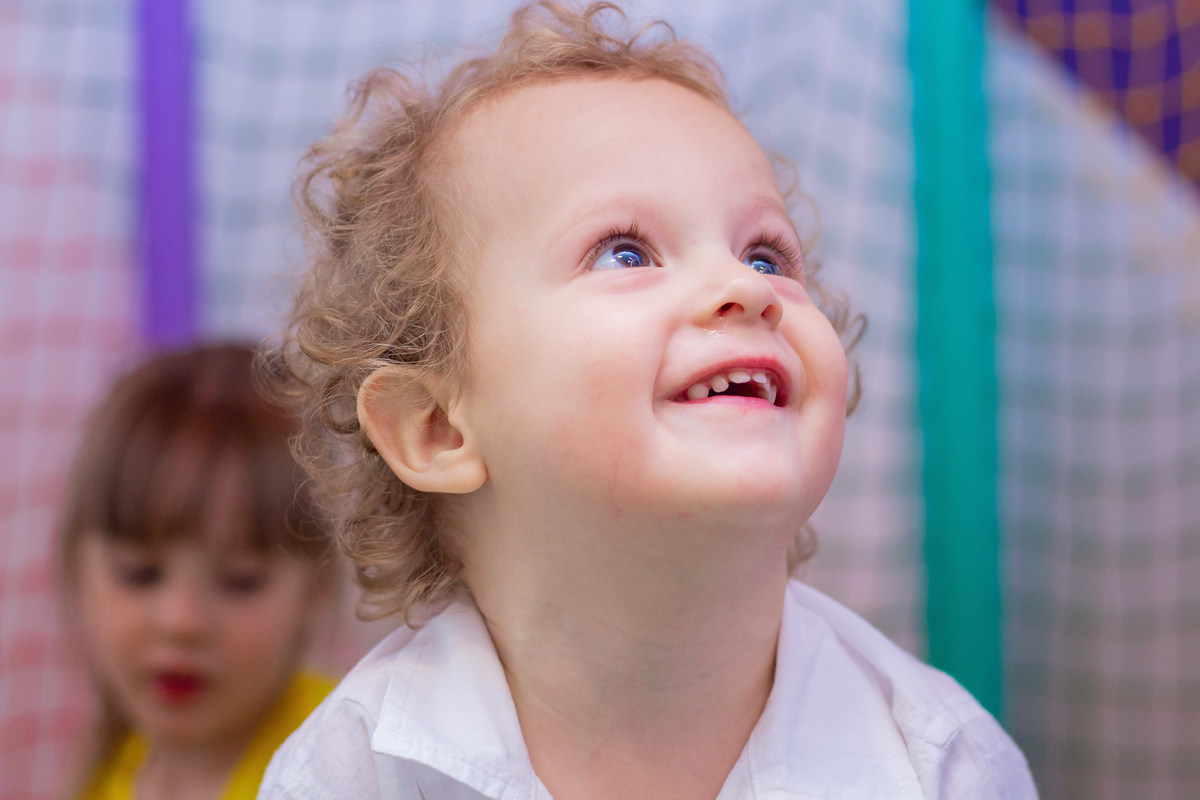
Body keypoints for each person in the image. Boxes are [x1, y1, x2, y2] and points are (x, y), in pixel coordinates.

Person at [259, 2, 1038, 797]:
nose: (745, 288)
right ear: (434, 429)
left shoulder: (941, 763)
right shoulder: (357, 772)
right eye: (625, 250)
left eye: (767, 256)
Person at [57, 343, 337, 800]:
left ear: (315, 588)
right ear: (77, 572)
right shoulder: (112, 765)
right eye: (140, 573)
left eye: (240, 580)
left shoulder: (341, 759)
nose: (181, 621)